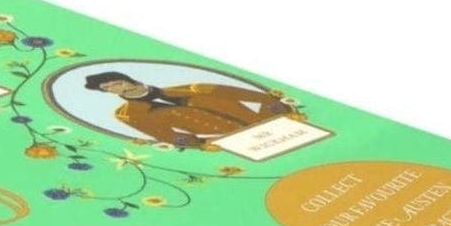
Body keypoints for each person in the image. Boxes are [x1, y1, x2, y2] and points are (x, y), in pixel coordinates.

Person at [78, 69, 302, 151]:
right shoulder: (127, 113)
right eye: (106, 88)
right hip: (224, 139)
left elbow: (248, 96)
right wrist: (200, 144)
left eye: (116, 83)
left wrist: (280, 108)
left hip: (263, 122)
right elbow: (165, 135)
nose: (114, 89)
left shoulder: (193, 88)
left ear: (128, 79)